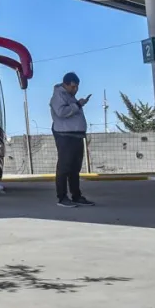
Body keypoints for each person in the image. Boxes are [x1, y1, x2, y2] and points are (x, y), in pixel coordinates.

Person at [50, 72, 94, 208]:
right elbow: (61, 113)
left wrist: (79, 104)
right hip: (65, 136)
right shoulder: (58, 95)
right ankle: (62, 197)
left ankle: (76, 196)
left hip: (76, 136)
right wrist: (78, 105)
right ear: (65, 84)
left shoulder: (69, 96)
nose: (75, 90)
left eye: (77, 87)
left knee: (75, 168)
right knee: (64, 167)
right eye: (73, 87)